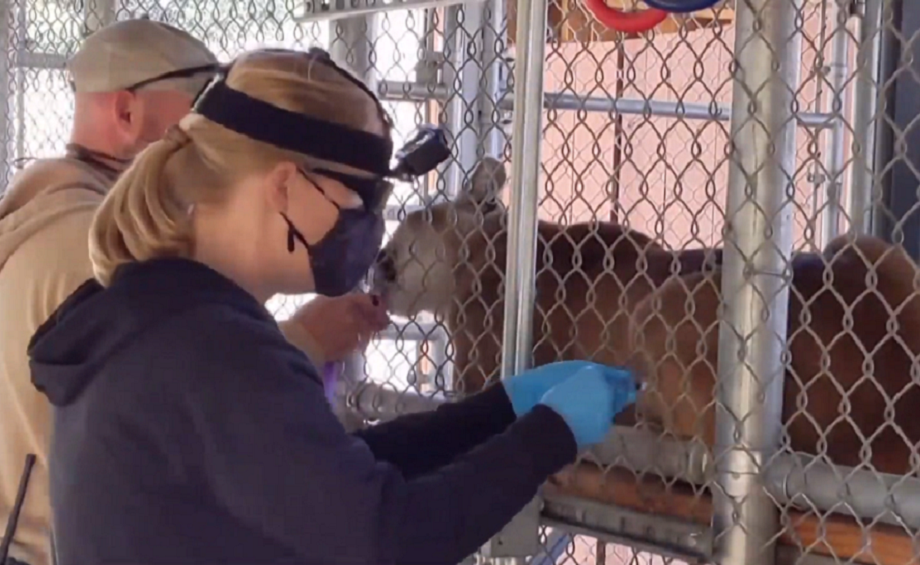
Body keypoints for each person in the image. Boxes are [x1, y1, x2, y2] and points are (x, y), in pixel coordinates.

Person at [27, 47, 638, 565]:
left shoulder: (156, 316)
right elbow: (386, 535)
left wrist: (500, 410)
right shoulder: (212, 352)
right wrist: (549, 435)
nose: (369, 224)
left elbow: (327, 479)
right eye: (360, 197)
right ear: (287, 185)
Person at [0, 21, 384, 565]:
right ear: (128, 114)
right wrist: (303, 340)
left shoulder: (49, 210)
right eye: (205, 100)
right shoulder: (92, 248)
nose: (220, 123)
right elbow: (187, 398)